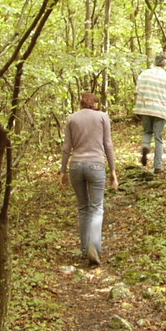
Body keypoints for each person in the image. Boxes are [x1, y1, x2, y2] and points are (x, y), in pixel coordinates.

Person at [60, 92, 118, 266]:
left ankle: (85, 249)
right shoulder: (103, 117)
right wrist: (113, 171)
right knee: (96, 208)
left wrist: (63, 171)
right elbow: (108, 144)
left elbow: (67, 147)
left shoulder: (72, 119)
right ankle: (94, 245)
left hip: (76, 165)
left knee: (83, 208)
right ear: (96, 104)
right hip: (96, 166)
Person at [134, 53, 166, 174]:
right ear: (165, 63)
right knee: (159, 139)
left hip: (145, 108)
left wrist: (137, 109)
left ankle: (145, 146)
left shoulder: (144, 74)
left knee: (147, 132)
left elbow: (137, 92)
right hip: (160, 111)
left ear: (155, 62)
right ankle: (157, 166)